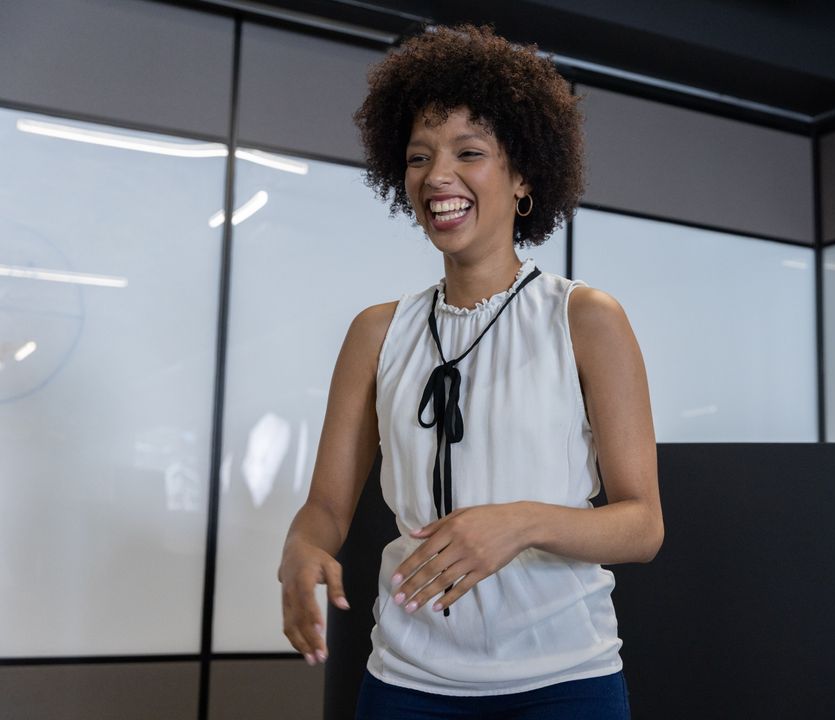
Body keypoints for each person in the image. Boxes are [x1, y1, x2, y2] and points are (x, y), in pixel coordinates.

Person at [278, 24, 663, 719]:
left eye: (469, 153)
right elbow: (327, 509)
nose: (437, 176)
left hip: (565, 680)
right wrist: (302, 549)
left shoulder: (585, 319)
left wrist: (519, 523)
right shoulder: (376, 332)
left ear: (522, 178)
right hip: (407, 682)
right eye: (419, 156)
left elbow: (642, 526)